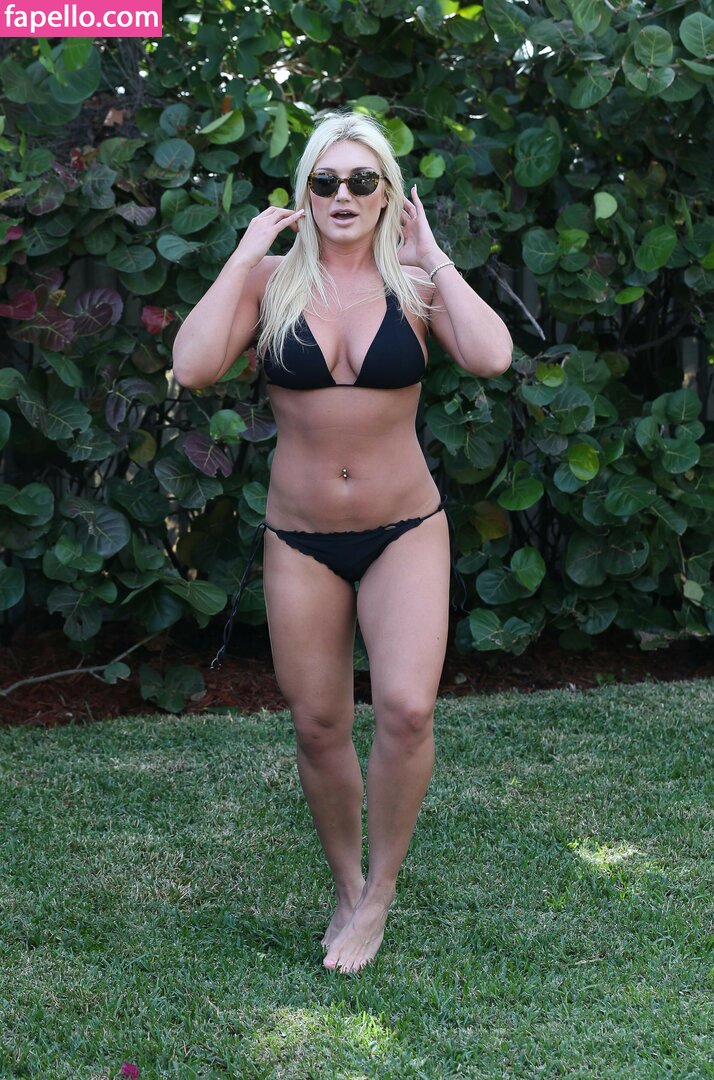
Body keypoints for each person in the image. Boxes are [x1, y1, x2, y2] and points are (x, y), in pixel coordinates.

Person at [172, 111, 512, 974]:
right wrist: (242, 256)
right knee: (320, 723)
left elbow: (491, 356)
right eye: (326, 182)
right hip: (302, 538)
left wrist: (434, 253)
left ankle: (381, 894)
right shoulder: (272, 282)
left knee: (406, 709)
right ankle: (346, 884)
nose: (344, 195)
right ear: (306, 194)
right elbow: (195, 365)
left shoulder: (415, 283)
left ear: (388, 193)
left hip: (406, 530)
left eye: (363, 180)